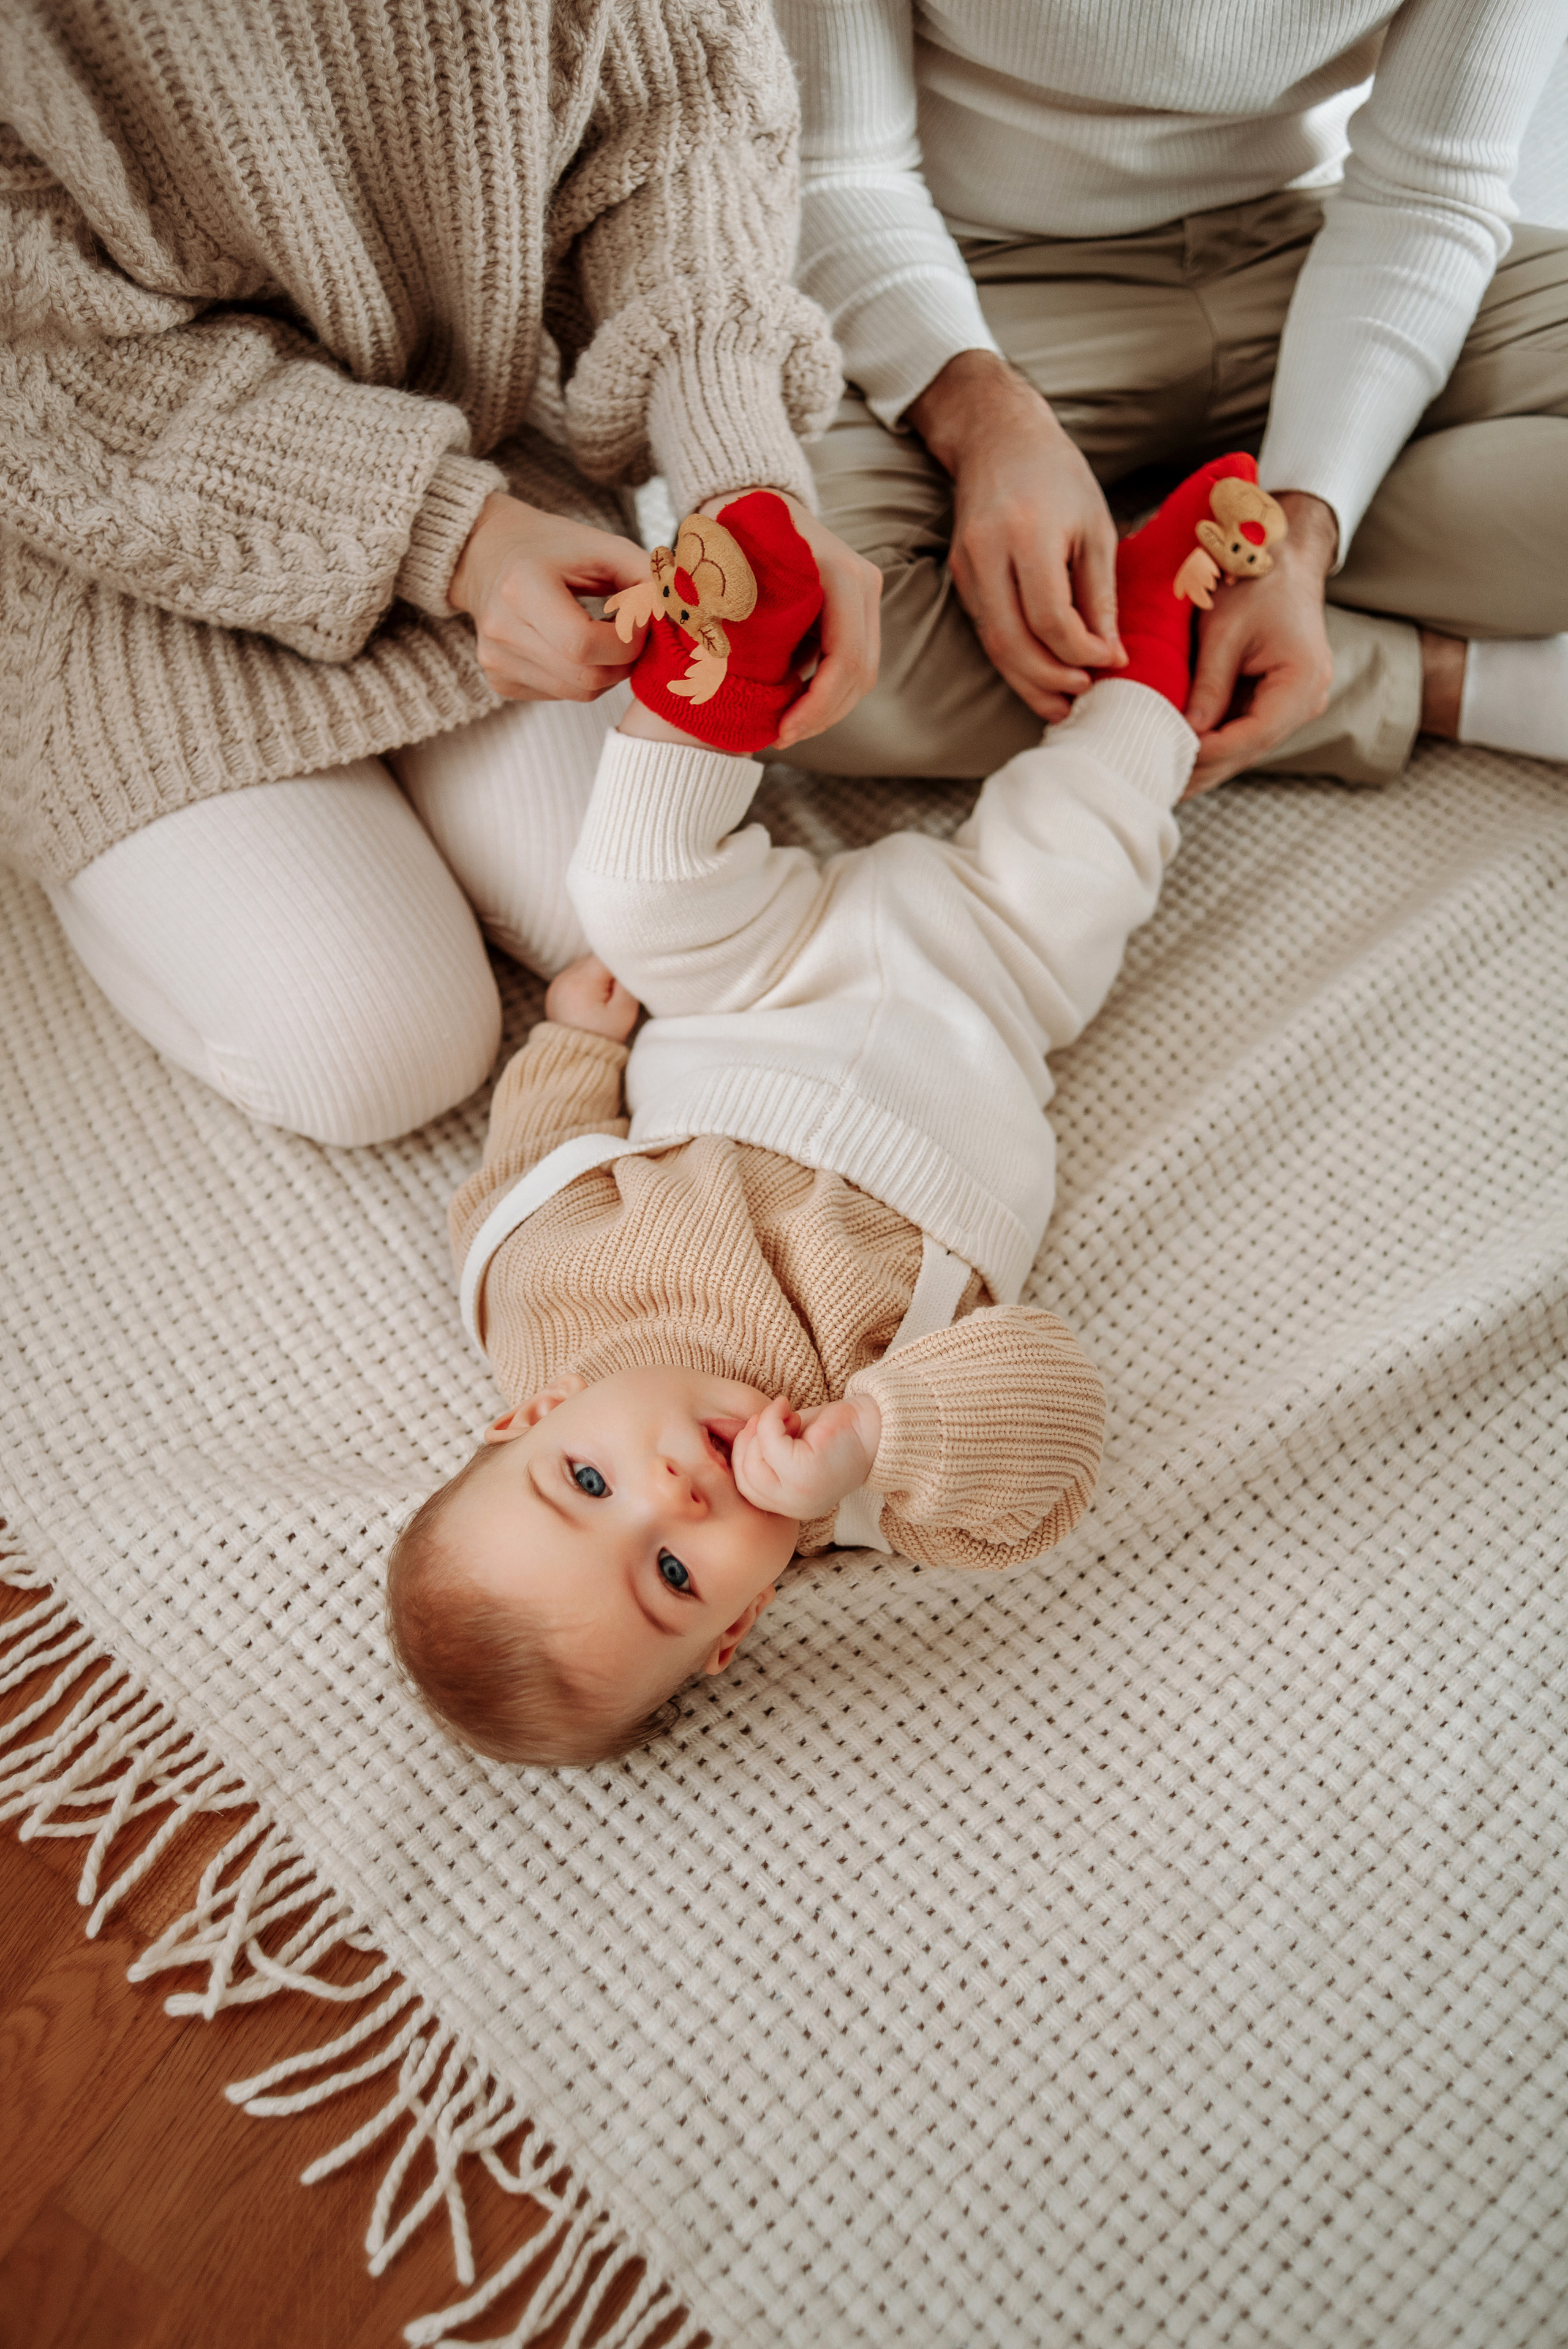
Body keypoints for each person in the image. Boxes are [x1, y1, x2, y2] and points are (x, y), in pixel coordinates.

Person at [386, 460, 1260, 1767]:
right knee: (1088, 846)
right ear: (736, 1627)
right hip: (984, 1003)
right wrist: (879, 1438)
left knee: (629, 893)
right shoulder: (872, 1497)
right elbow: (1053, 1406)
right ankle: (1153, 632)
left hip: (754, 986)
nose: (672, 1495)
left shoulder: (537, 1299)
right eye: (675, 1576)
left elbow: (526, 1165)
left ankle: (724, 671)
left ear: (531, 1416)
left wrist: (574, 1040)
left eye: (587, 1481)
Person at [0, 0, 880, 1147]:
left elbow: (677, 116)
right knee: (377, 1051)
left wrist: (739, 474)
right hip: (102, 523)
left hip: (476, 428)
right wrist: (452, 540)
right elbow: (37, 360)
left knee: (655, 924)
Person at [773, 0, 1568, 795]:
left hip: (1324, 251)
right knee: (784, 634)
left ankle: (1155, 555)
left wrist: (1301, 531)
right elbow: (835, 166)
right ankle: (1436, 679)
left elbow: (1427, 190)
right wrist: (988, 426)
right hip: (966, 277)